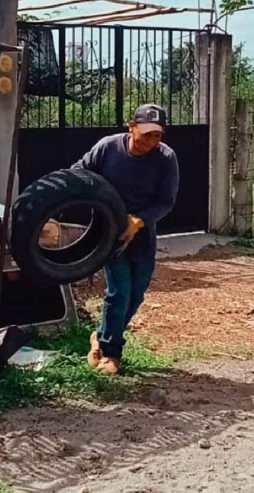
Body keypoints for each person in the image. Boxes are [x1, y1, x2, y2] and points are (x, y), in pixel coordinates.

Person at [74, 103, 179, 376]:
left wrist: (139, 220)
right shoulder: (108, 148)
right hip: (109, 233)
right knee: (119, 292)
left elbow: (166, 202)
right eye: (145, 134)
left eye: (157, 135)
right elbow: (78, 172)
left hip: (142, 234)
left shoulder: (166, 158)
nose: (151, 141)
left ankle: (100, 335)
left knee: (136, 295)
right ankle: (111, 353)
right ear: (131, 127)